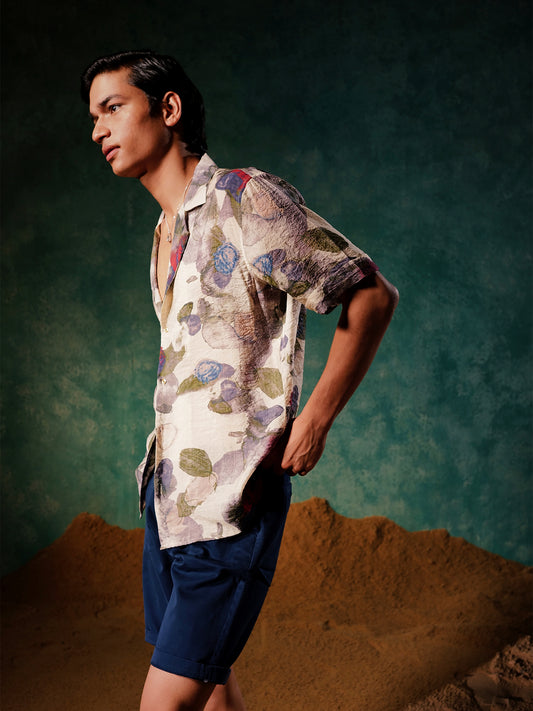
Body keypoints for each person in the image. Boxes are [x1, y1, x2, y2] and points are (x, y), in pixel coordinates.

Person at [81, 50, 398, 711]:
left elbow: (371, 294)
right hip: (168, 498)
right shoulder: (166, 230)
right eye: (93, 116)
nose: (97, 129)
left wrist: (315, 419)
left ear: (168, 109)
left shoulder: (244, 199)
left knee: (164, 702)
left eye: (112, 108)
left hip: (232, 500)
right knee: (211, 691)